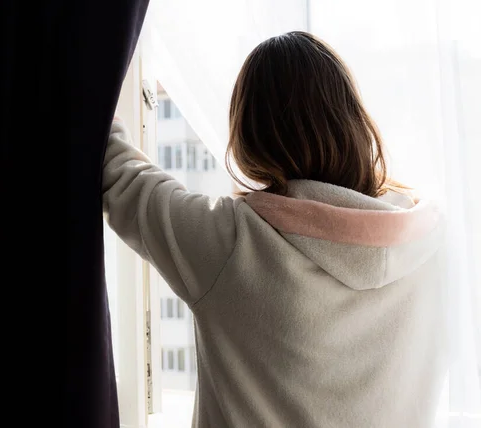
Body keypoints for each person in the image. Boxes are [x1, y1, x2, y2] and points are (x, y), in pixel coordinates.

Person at [102, 31, 447, 428]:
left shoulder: (232, 244)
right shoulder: (428, 241)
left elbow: (123, 179)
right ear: (352, 117)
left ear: (249, 137)